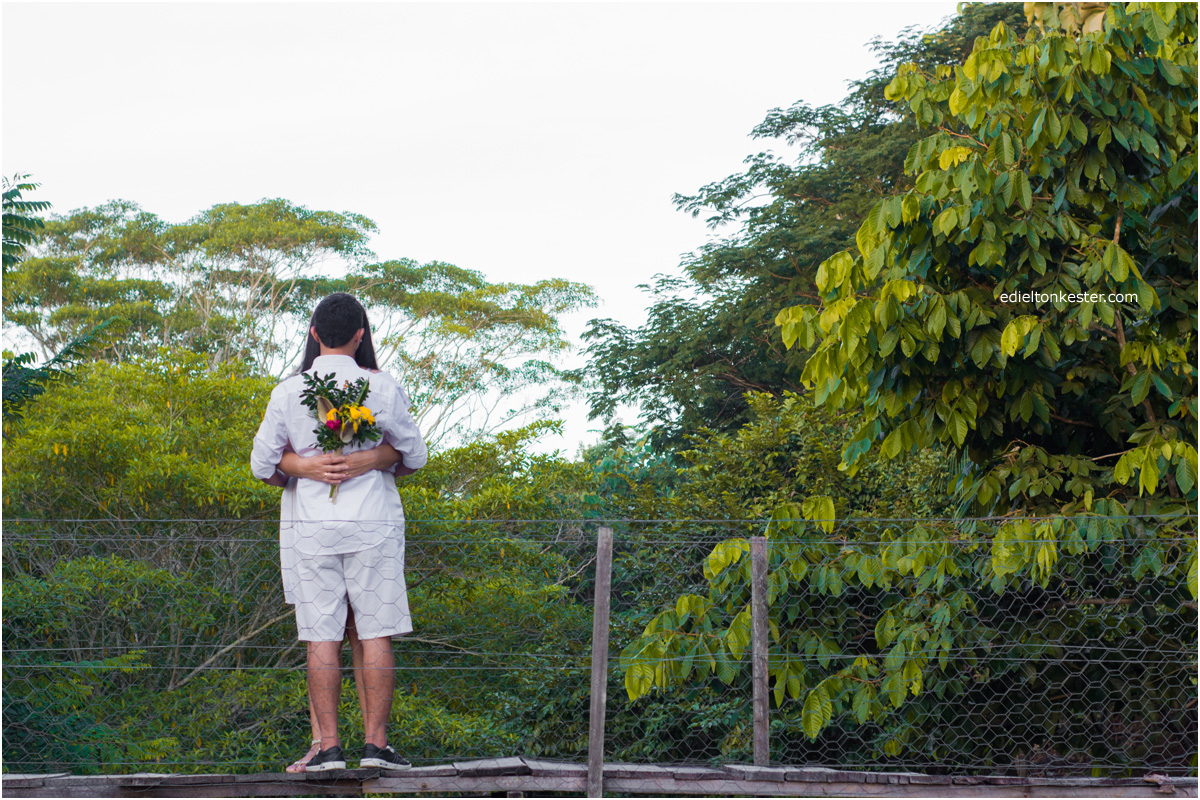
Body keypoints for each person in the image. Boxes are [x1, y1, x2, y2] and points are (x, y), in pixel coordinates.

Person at [251, 292, 427, 772]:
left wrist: (307, 469)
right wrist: (375, 458)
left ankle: (329, 749)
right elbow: (416, 456)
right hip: (373, 522)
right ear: (360, 335)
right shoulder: (382, 386)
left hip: (312, 528)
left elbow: (261, 465)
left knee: (321, 637)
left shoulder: (289, 391)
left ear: (313, 334)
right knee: (376, 633)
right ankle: (376, 746)